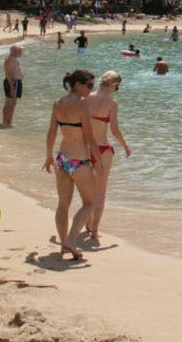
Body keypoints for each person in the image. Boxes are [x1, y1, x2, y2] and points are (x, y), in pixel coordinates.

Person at [43, 69, 101, 260]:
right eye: (89, 85)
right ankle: (70, 239)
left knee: (63, 205)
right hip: (80, 160)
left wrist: (48, 156)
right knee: (90, 203)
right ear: (77, 85)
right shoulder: (82, 104)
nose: (91, 89)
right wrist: (99, 161)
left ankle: (64, 245)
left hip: (62, 159)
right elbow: (89, 137)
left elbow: (52, 132)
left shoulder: (58, 103)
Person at [85, 71, 132, 243]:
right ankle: (95, 230)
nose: (116, 90)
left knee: (88, 189)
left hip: (86, 149)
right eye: (117, 87)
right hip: (103, 149)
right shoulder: (112, 103)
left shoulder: (86, 98)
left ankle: (87, 221)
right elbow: (115, 130)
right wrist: (126, 146)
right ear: (113, 85)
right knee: (101, 191)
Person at [1, 45, 23, 127]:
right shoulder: (11, 60)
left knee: (8, 102)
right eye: (19, 51)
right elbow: (8, 74)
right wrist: (12, 86)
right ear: (15, 51)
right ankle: (8, 122)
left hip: (13, 82)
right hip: (14, 82)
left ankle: (5, 121)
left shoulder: (11, 59)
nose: (21, 53)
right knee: (12, 103)